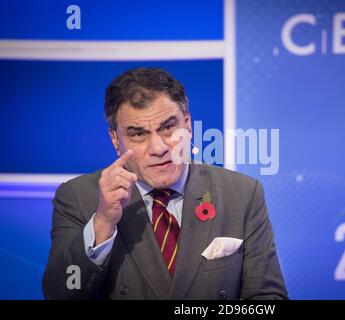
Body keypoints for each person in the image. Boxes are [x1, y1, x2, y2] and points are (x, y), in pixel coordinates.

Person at [42, 67, 288, 299]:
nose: (159, 148)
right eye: (138, 134)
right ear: (115, 140)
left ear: (188, 125)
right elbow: (60, 293)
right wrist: (104, 221)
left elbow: (267, 298)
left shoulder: (242, 194)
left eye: (169, 128)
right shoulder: (78, 197)